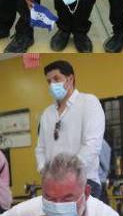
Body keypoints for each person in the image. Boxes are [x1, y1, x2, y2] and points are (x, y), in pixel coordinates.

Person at [35, 59, 105, 197]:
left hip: (84, 182)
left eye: (56, 79)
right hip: (53, 186)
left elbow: (92, 144)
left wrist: (68, 175)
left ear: (70, 78)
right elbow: (40, 149)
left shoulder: (88, 102)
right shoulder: (47, 113)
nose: (52, 84)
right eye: (49, 81)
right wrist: (45, 172)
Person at [99, 138, 112, 204]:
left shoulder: (99, 143)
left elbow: (105, 165)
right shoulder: (103, 143)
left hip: (98, 180)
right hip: (101, 180)